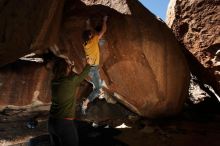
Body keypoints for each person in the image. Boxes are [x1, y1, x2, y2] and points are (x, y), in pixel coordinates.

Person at [48, 58, 91, 146]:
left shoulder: (54, 82)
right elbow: (83, 75)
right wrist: (89, 64)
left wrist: (70, 68)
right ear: (65, 69)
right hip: (64, 124)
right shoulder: (71, 80)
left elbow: (69, 78)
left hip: (52, 123)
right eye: (68, 66)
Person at [81, 16, 108, 114]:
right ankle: (85, 103)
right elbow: (103, 30)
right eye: (91, 34)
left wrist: (89, 23)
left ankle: (98, 92)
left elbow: (89, 33)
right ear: (89, 36)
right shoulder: (93, 40)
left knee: (99, 88)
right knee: (97, 90)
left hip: (91, 69)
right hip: (92, 69)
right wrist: (104, 20)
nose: (92, 34)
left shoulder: (86, 43)